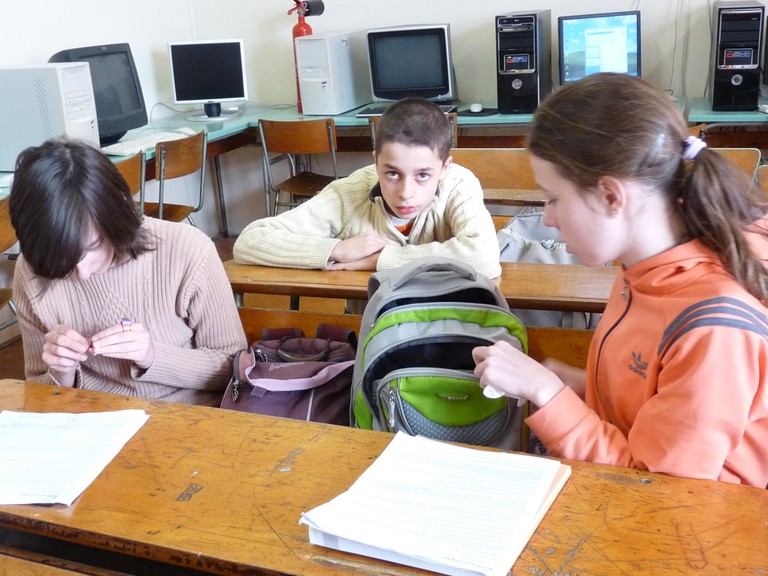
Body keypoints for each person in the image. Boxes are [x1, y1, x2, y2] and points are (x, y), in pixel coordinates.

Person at [473, 73, 768, 487]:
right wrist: (571, 384)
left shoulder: (714, 327)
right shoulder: (643, 264)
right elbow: (646, 408)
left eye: (554, 198)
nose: (548, 218)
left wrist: (547, 393)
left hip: (690, 516)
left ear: (612, 197)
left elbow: (658, 489)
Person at [9, 139, 247, 406]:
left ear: (118, 214)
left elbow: (234, 368)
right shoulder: (31, 269)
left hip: (186, 416)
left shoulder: (188, 249)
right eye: (61, 259)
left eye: (94, 246)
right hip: (92, 419)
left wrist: (152, 355)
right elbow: (39, 391)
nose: (82, 272)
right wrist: (62, 372)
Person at [233, 97, 501, 280]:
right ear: (376, 162)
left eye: (422, 175)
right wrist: (337, 249)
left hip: (445, 327)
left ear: (444, 168)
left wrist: (381, 260)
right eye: (392, 173)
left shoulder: (458, 183)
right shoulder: (350, 192)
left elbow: (484, 259)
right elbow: (249, 241)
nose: (406, 192)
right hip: (370, 332)